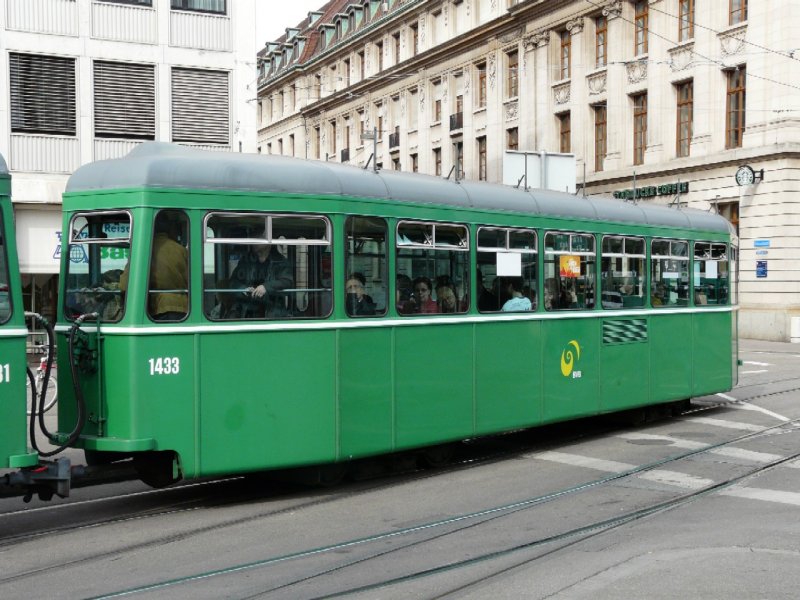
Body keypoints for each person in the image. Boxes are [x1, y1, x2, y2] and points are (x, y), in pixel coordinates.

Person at [231, 243, 293, 318]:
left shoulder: (280, 261)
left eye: (258, 237)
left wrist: (266, 287)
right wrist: (244, 289)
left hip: (273, 313)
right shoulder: (246, 261)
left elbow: (287, 281)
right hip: (247, 312)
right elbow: (233, 282)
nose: (254, 242)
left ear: (268, 242)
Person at [148, 217, 189, 321]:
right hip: (182, 307)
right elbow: (191, 280)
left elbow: (125, 284)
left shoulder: (145, 249)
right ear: (170, 230)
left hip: (155, 307)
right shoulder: (181, 250)